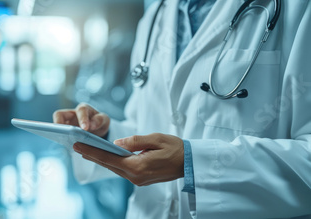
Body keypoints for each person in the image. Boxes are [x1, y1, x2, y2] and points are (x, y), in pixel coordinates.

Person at [53, 0, 311, 218]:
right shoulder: (155, 16)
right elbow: (146, 124)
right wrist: (103, 136)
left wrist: (193, 163)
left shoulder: (297, 8)